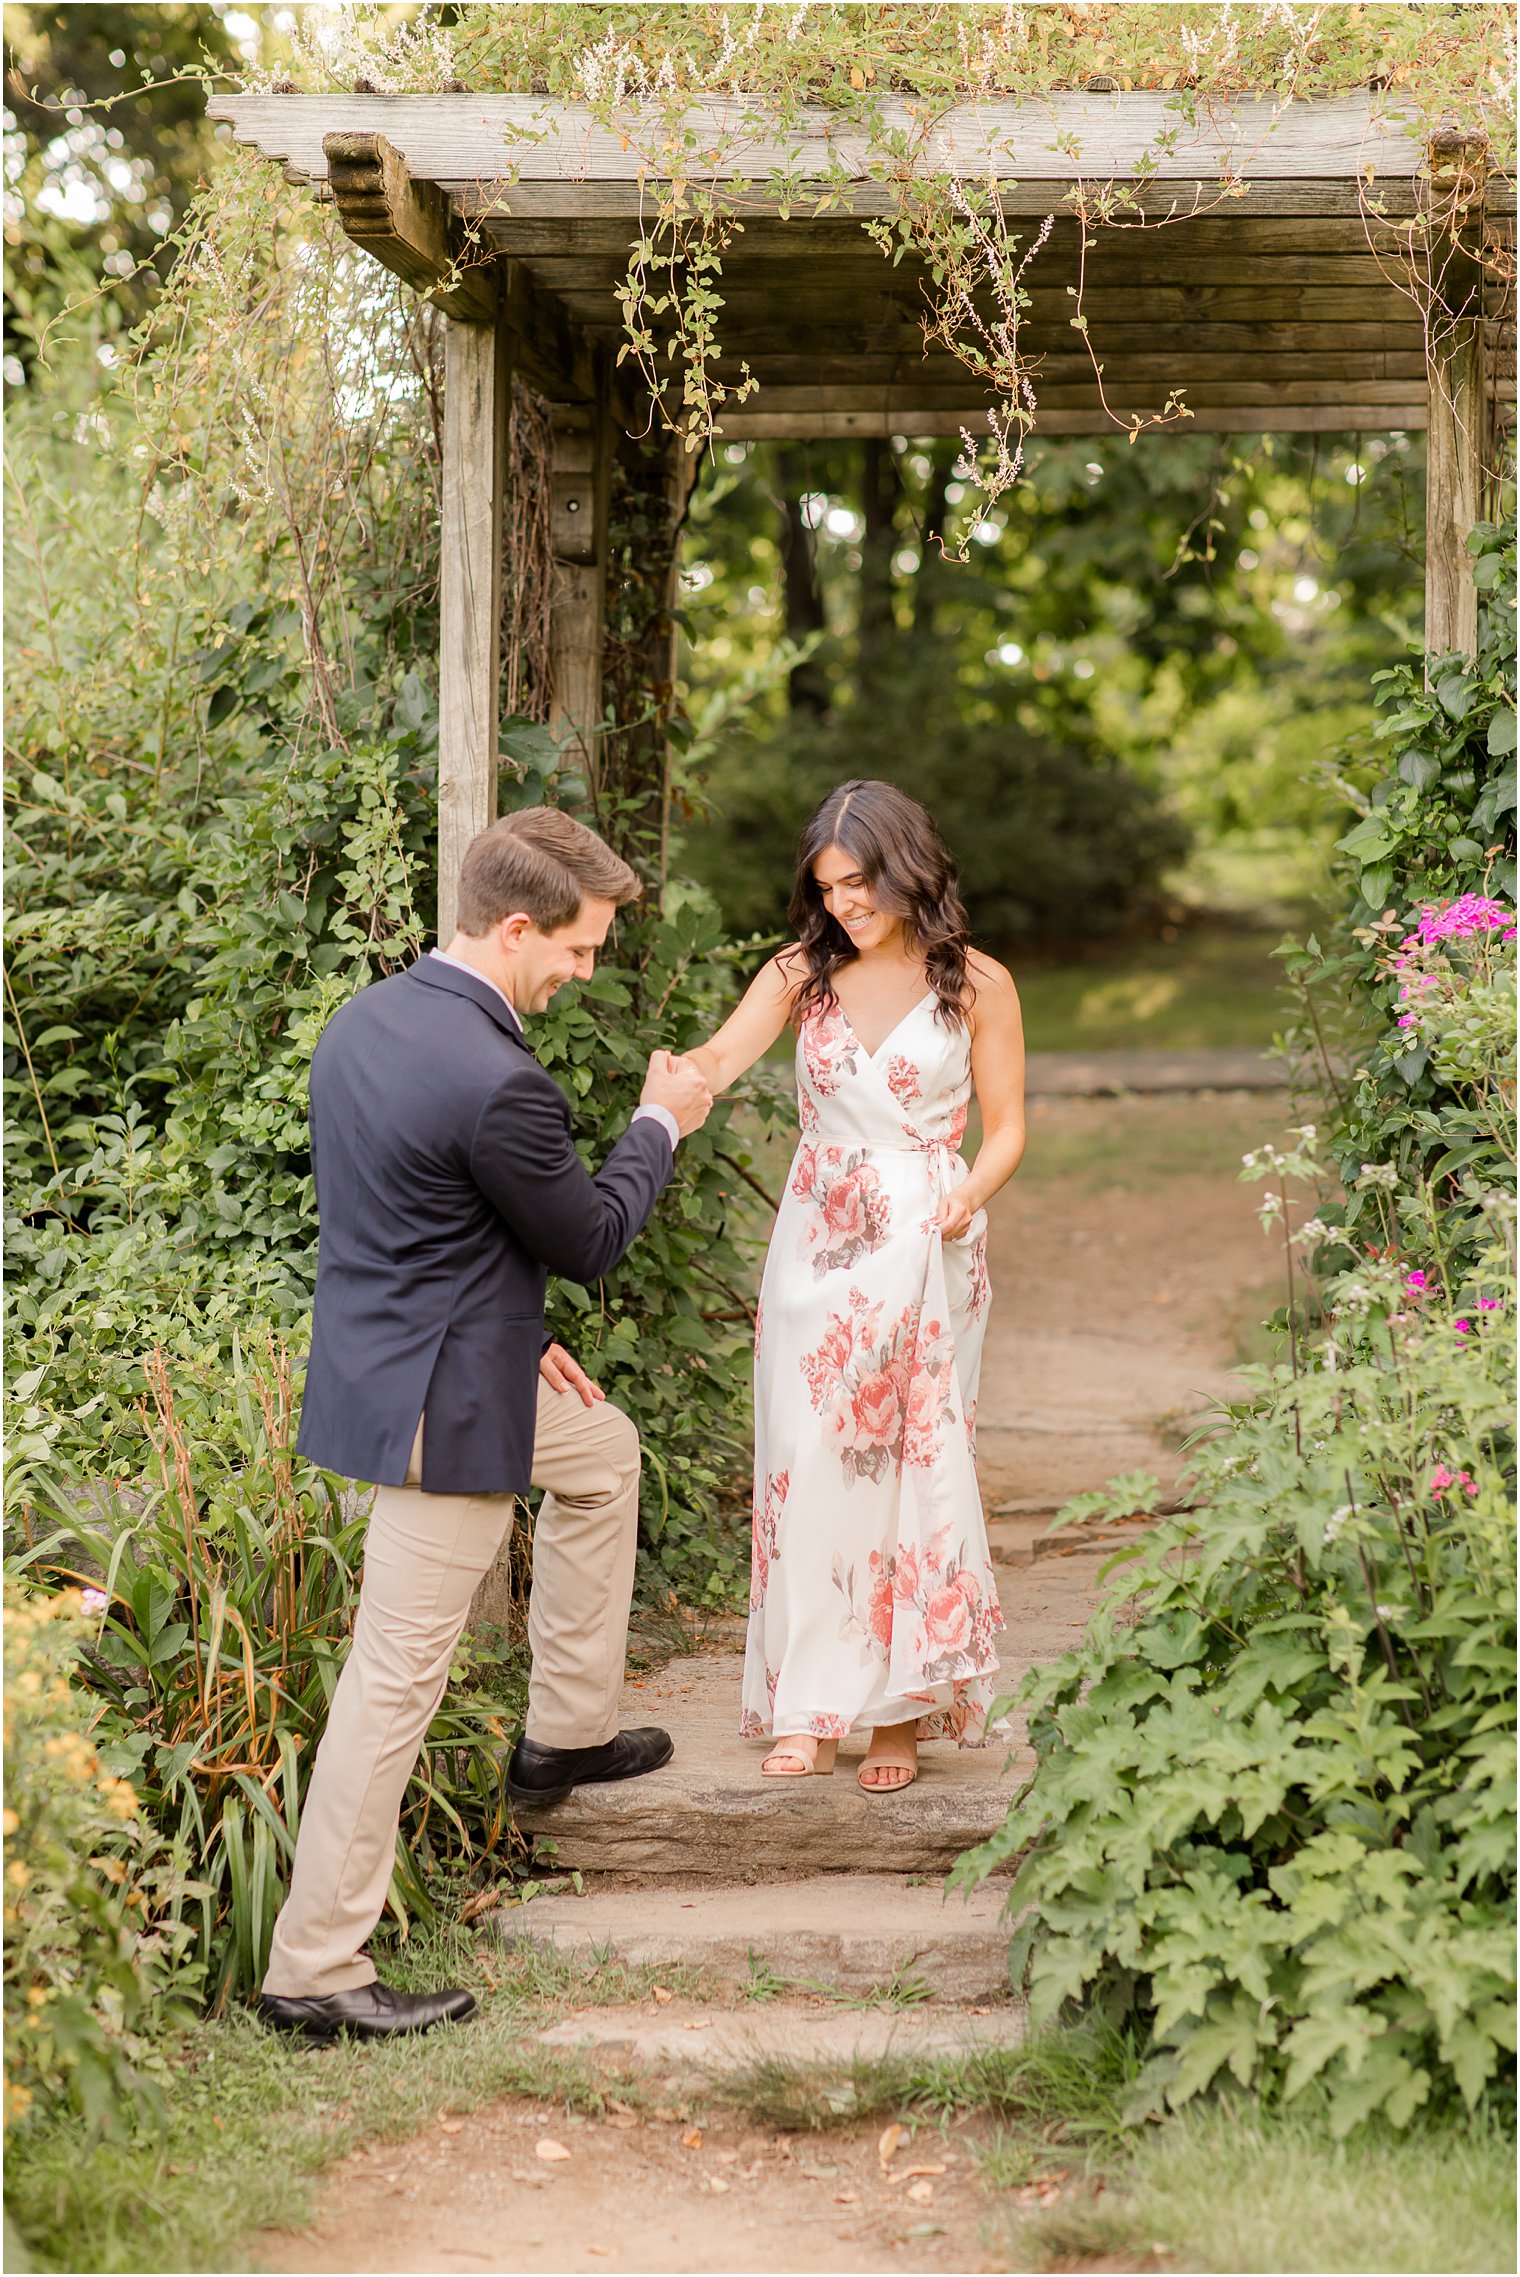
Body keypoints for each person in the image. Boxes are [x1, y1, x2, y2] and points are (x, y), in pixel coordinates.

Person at [256, 807, 711, 2042]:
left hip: (405, 1364)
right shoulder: (500, 1077)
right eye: (578, 950)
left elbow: (411, 1218)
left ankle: (562, 1735)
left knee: (602, 1453)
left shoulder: (365, 1022)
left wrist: (522, 1329)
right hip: (439, 1412)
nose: (585, 972)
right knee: (391, 1681)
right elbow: (590, 1239)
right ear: (517, 927)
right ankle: (314, 1968)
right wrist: (659, 1121)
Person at [682, 780, 1025, 1792]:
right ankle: (805, 1700)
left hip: (928, 1237)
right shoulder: (799, 976)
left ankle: (898, 1716)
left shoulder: (977, 984)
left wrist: (969, 1189)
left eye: (859, 885)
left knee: (911, 1468)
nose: (843, 906)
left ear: (905, 867)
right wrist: (678, 1084)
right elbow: (722, 1055)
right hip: (820, 1241)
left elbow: (1005, 1124)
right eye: (827, 889)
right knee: (807, 1465)